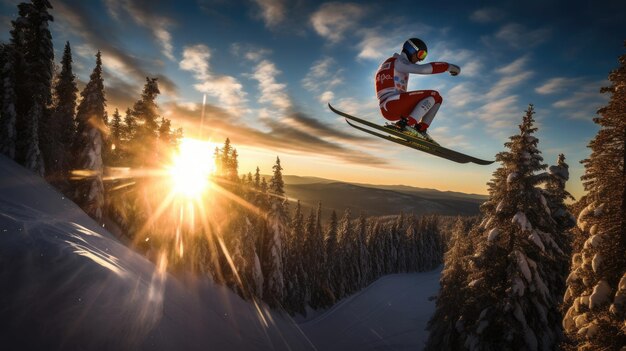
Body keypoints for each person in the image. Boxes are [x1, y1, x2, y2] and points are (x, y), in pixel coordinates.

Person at [375, 37, 460, 144]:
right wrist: (449, 67)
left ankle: (421, 129)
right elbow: (423, 69)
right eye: (421, 54)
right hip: (391, 104)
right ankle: (405, 125)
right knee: (433, 94)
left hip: (392, 106)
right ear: (411, 49)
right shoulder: (398, 62)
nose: (420, 60)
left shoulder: (393, 62)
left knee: (438, 99)